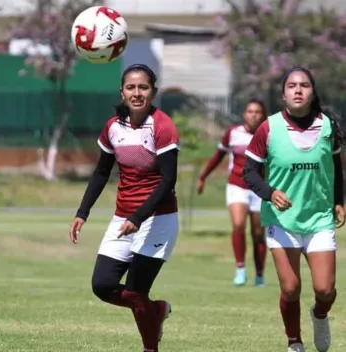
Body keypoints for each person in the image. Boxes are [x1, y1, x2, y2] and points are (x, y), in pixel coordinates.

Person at [68, 64, 179, 352]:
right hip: (124, 219)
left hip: (158, 219)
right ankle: (157, 310)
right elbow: (101, 173)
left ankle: (149, 348)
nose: (137, 93)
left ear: (153, 91)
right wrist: (82, 212)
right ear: (122, 91)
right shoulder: (113, 126)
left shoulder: (163, 126)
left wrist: (138, 217)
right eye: (131, 87)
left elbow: (168, 181)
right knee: (102, 285)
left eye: (143, 87)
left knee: (135, 290)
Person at [243, 66, 344, 352]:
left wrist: (339, 201)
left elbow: (336, 168)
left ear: (313, 92)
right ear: (283, 95)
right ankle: (294, 341)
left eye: (304, 85)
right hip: (281, 220)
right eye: (291, 86)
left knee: (325, 290)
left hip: (319, 219)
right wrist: (270, 193)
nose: (298, 90)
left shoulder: (327, 127)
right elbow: (249, 172)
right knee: (290, 288)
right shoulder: (268, 127)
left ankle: (320, 314)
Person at [196, 98, 268, 287]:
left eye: (258, 111)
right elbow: (218, 156)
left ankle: (259, 275)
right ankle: (240, 269)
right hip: (236, 186)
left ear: (263, 115)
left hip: (260, 189)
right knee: (238, 225)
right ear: (244, 114)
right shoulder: (233, 133)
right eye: (250, 111)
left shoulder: (269, 135)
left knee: (258, 233)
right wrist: (203, 177)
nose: (254, 115)